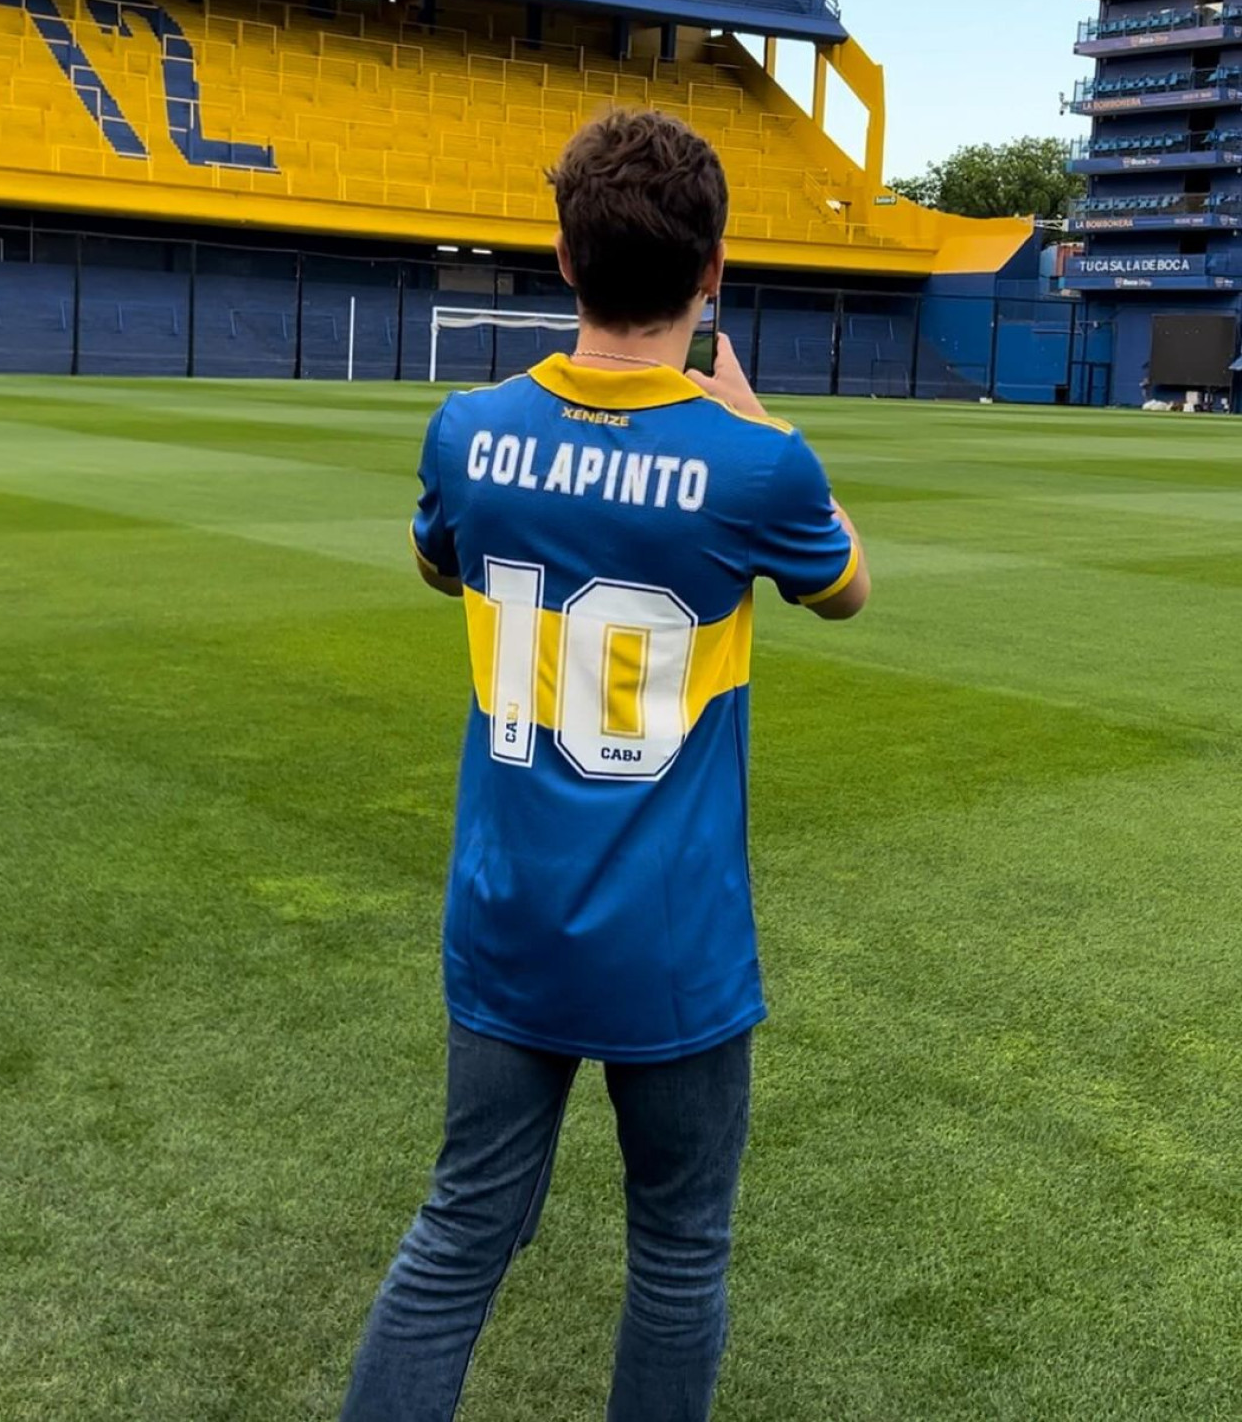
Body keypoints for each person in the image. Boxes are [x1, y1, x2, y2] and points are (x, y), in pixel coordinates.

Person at [341, 109, 870, 1422]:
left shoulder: (468, 430)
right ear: (714, 272)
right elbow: (848, 587)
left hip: (509, 918)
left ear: (565, 262)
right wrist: (748, 419)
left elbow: (436, 562)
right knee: (679, 1258)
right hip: (674, 943)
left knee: (458, 1237)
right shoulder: (759, 464)